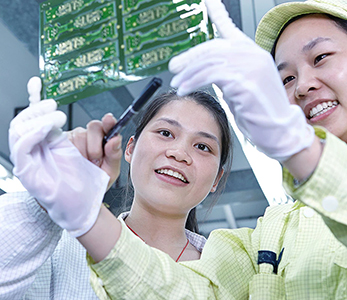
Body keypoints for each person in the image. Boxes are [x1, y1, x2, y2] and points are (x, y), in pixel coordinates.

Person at [8, 0, 347, 299]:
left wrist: (301, 151)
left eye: (321, 58)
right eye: (285, 77)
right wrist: (85, 217)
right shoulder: (271, 231)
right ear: (129, 147)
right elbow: (180, 291)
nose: (302, 86)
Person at [1, 82, 233, 299]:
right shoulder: (64, 249)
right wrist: (43, 205)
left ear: (217, 179)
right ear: (130, 148)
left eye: (202, 147)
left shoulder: (232, 274)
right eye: (165, 133)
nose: (179, 153)